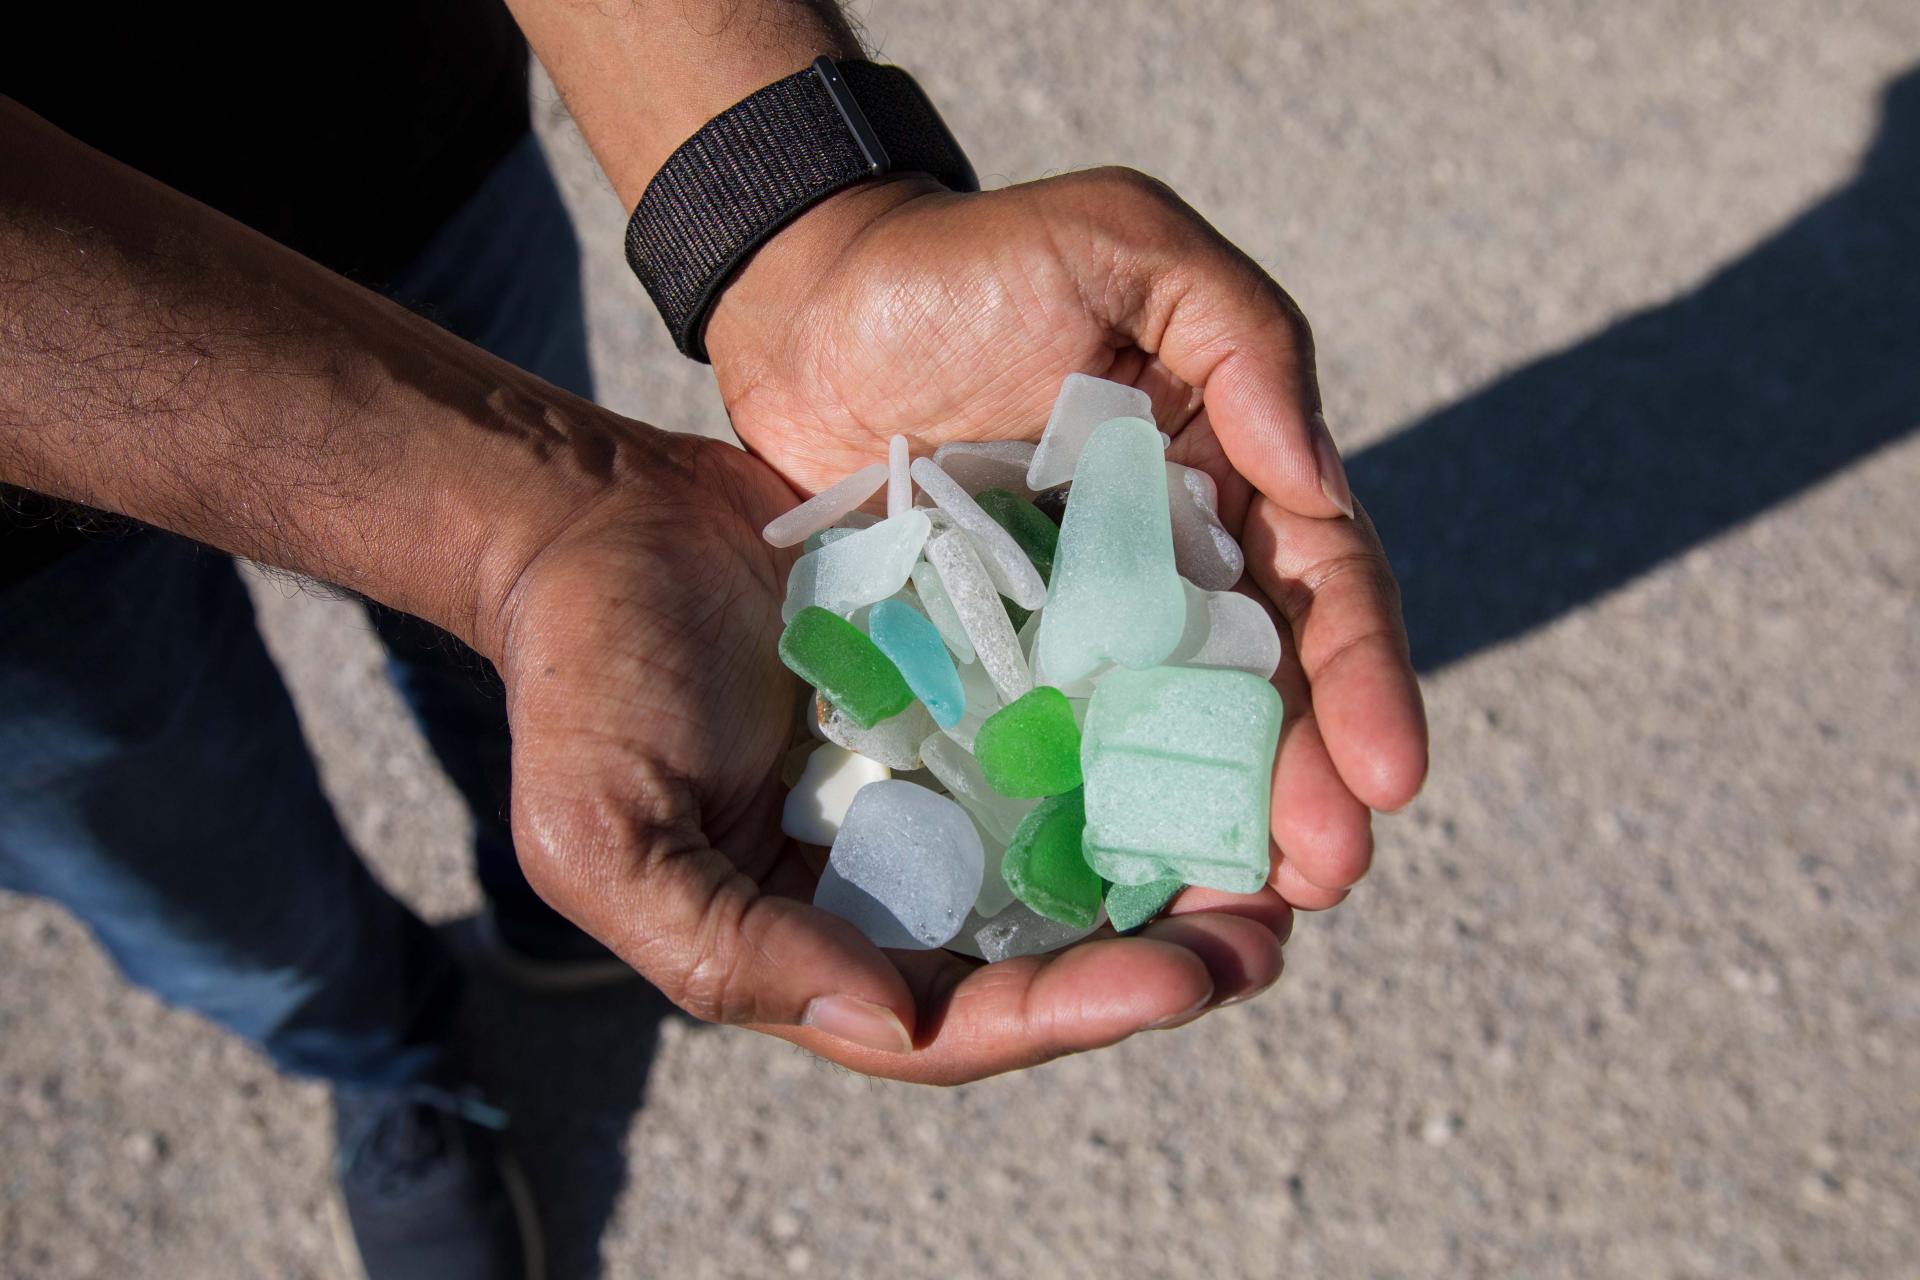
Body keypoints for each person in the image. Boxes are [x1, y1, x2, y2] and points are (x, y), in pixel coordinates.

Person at [0, 1, 1428, 1275]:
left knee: (530, 699)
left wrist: (810, 217)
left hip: (391, 112)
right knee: (209, 886)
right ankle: (385, 1060)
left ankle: (525, 905)